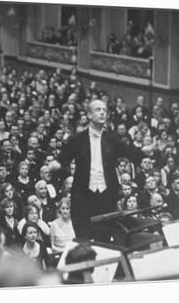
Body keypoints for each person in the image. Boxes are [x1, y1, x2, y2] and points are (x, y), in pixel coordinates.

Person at [49, 100, 139, 238]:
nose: (102, 112)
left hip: (107, 194)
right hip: (84, 195)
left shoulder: (112, 139)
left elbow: (130, 153)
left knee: (106, 236)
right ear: (89, 115)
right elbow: (63, 158)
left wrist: (145, 155)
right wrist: (57, 164)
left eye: (104, 110)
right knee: (83, 236)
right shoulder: (78, 139)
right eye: (98, 109)